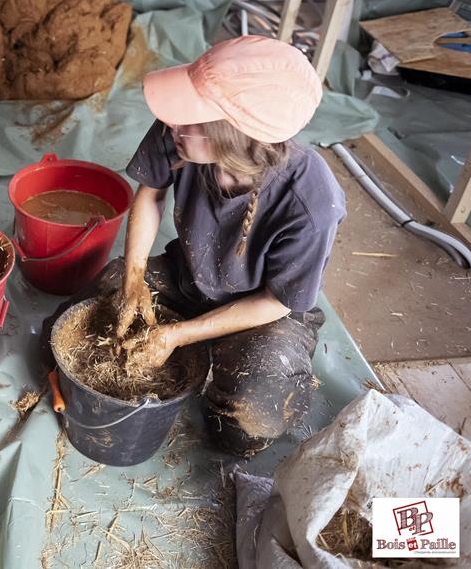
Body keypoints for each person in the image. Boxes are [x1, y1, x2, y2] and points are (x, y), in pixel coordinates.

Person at [49, 35, 345, 457]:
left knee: (245, 427)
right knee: (75, 318)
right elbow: (150, 194)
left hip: (260, 310)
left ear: (235, 137)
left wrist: (177, 336)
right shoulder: (179, 130)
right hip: (187, 277)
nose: (174, 125)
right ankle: (195, 343)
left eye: (190, 119)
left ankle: (234, 361)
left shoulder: (311, 201)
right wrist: (134, 279)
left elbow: (277, 302)